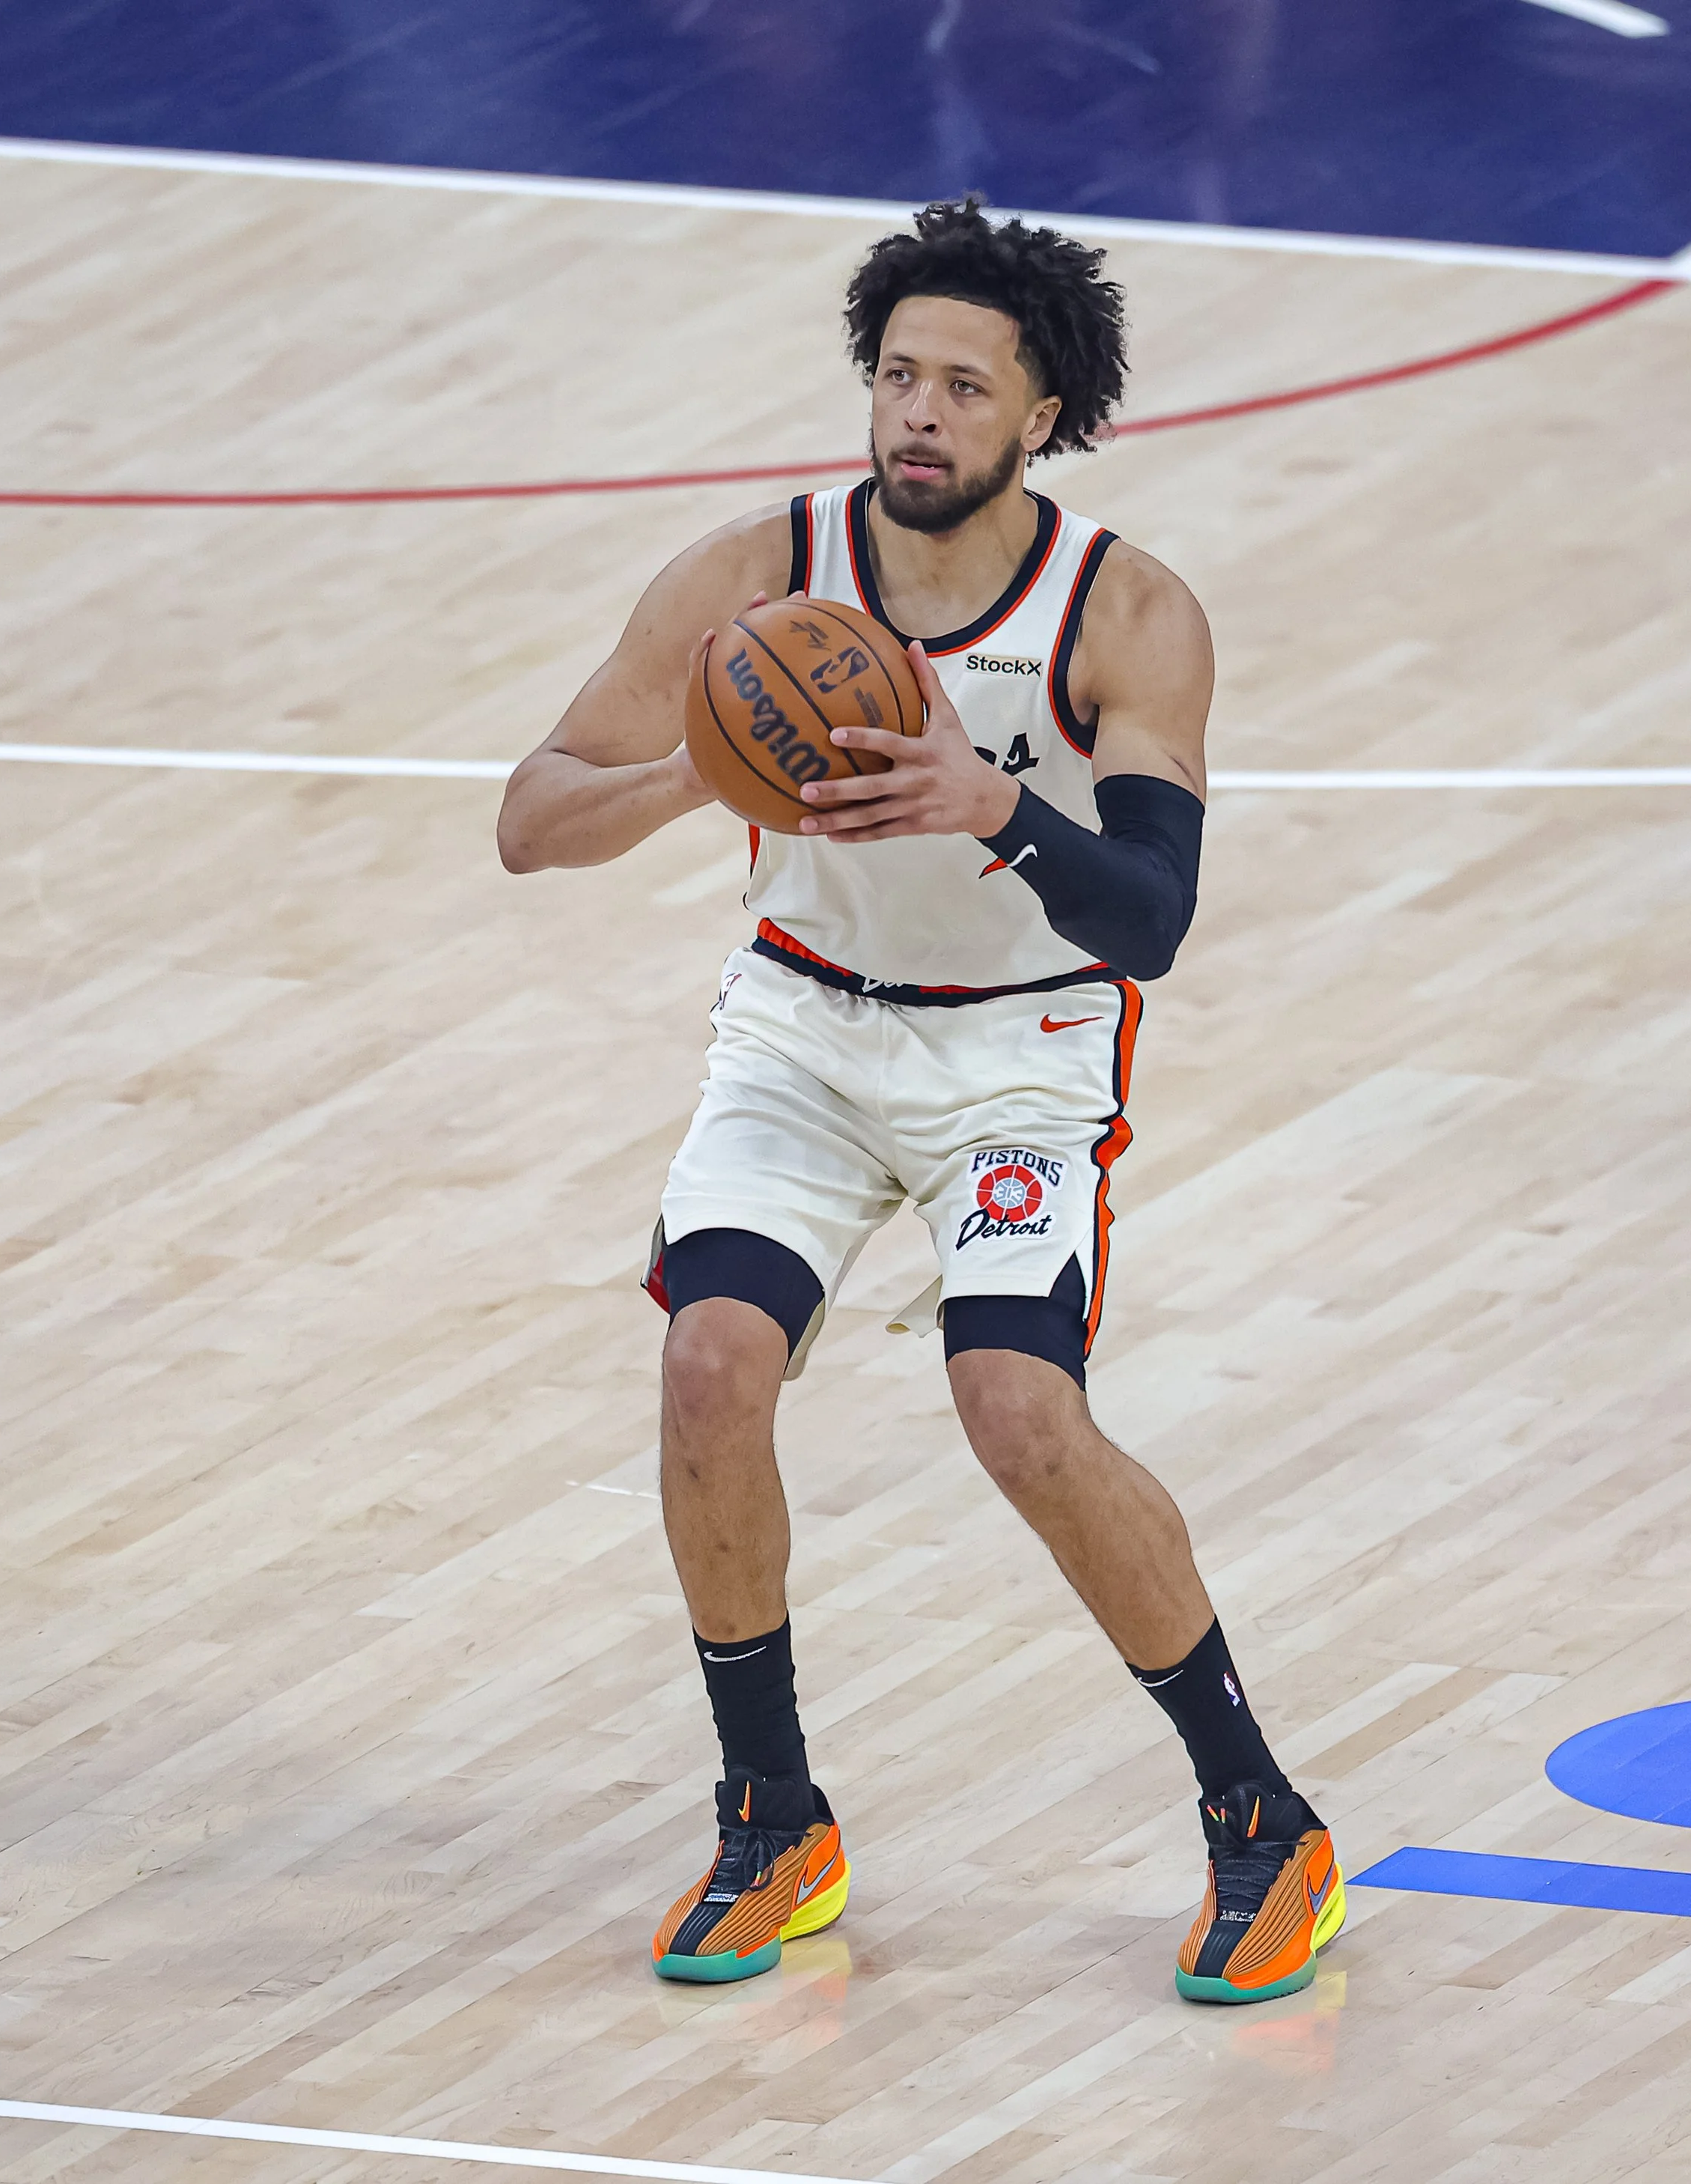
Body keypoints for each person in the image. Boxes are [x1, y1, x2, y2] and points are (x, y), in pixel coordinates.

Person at [496, 196, 1343, 2004]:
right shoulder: (759, 574)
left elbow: (1151, 919)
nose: (919, 413)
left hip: (1016, 1051)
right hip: (801, 1030)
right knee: (706, 1366)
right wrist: (691, 770)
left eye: (963, 385)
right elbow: (530, 819)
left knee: (1016, 1410)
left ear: (1043, 413)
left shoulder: (1122, 611)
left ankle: (1259, 1817)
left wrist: (995, 807)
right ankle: (769, 1817)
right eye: (896, 375)